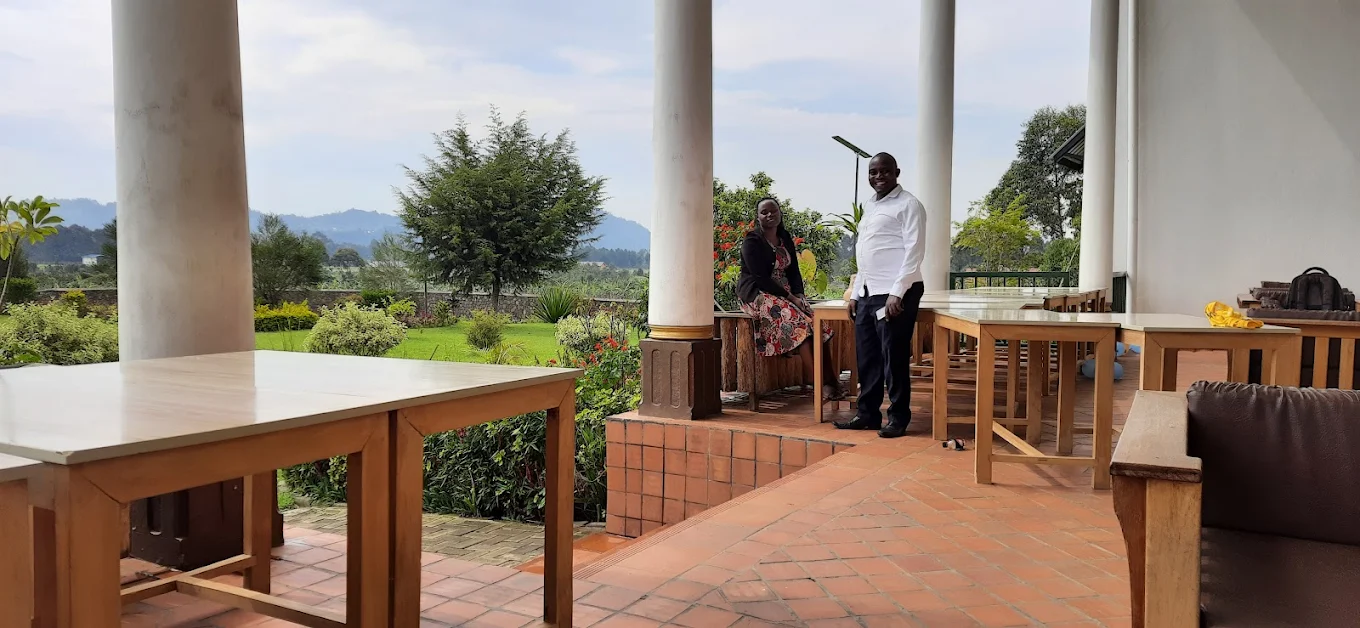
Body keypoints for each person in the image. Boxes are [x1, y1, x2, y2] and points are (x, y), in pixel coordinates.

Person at [835, 152, 926, 438]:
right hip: (868, 292)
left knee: (893, 357)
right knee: (868, 357)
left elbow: (914, 251)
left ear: (896, 172)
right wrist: (855, 294)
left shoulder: (909, 204)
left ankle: (898, 417)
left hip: (896, 293)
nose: (878, 177)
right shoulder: (871, 206)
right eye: (873, 172)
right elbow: (865, 252)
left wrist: (898, 293)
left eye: (884, 172)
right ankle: (868, 414)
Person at [737, 197, 846, 401]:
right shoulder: (752, 241)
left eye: (773, 211)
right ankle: (819, 386)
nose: (769, 215)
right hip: (758, 294)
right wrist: (790, 298)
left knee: (818, 326)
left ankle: (832, 383)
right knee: (801, 328)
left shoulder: (784, 237)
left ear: (780, 213)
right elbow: (761, 278)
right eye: (764, 212)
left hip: (787, 294)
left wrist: (800, 296)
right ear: (758, 217)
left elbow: (794, 271)